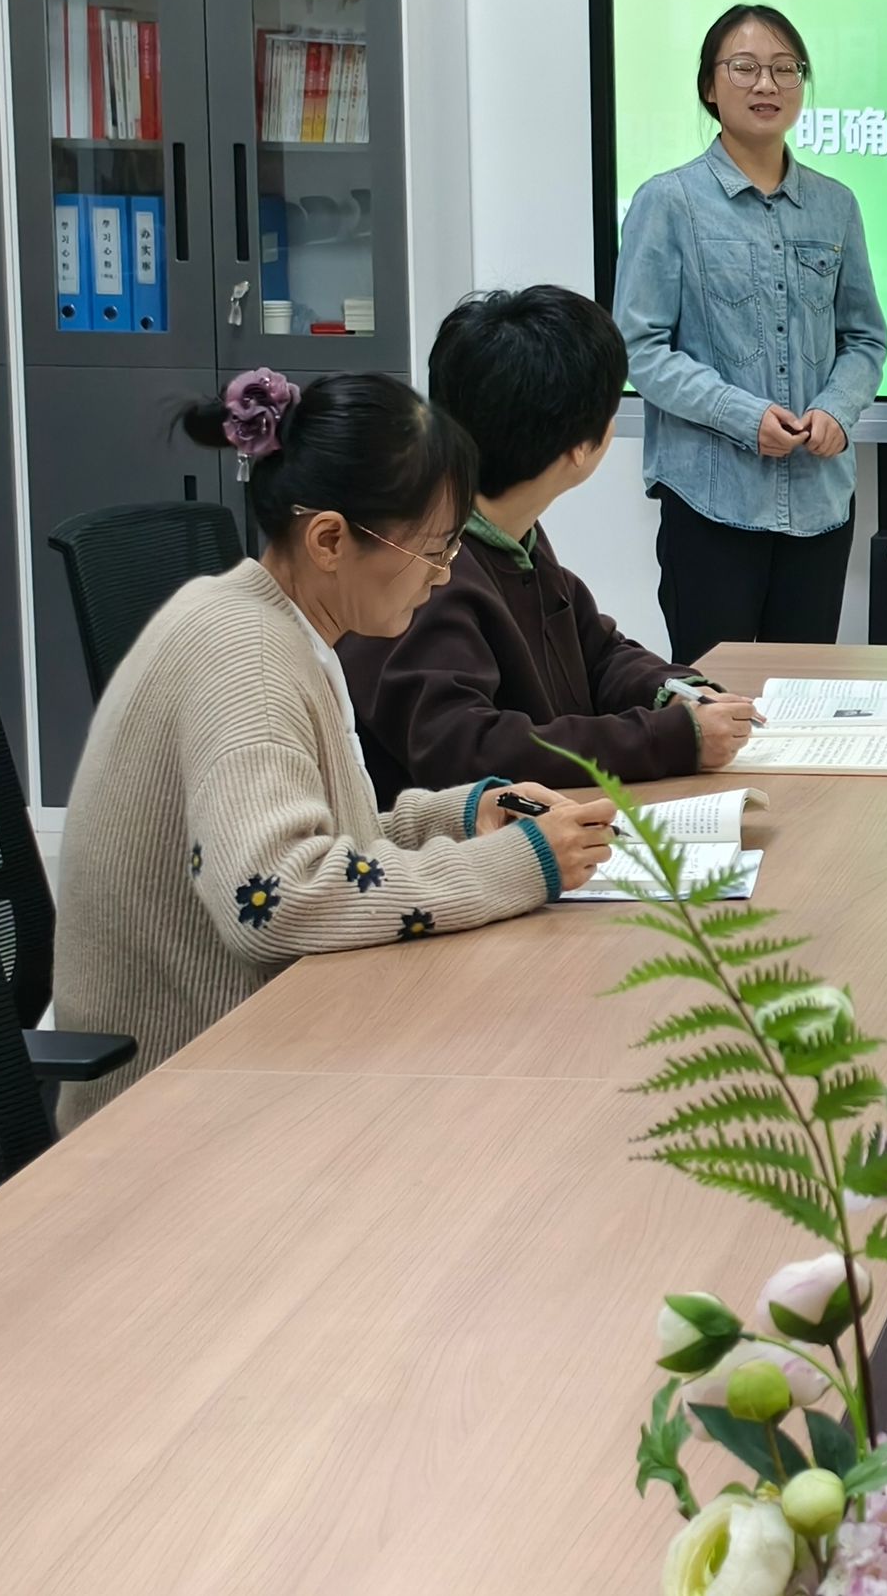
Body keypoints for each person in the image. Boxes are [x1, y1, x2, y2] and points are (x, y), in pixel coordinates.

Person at [51, 368, 617, 1124]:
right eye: (434, 549)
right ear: (328, 540)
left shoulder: (271, 625)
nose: (445, 574)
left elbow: (317, 839)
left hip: (263, 1052)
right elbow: (277, 897)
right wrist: (519, 864)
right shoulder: (247, 657)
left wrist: (464, 815)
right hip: (182, 1106)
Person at [340, 285, 764, 805]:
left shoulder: (511, 534)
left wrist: (674, 693)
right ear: (581, 447)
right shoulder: (421, 568)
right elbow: (466, 751)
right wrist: (672, 738)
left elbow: (598, 653)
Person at [613, 1, 887, 663]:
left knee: (804, 697)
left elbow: (864, 338)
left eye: (785, 69)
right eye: (744, 67)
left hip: (820, 502)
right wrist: (742, 416)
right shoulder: (668, 202)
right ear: (710, 86)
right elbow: (639, 348)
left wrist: (836, 408)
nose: (767, 84)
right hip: (711, 501)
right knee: (715, 699)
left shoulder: (835, 205)